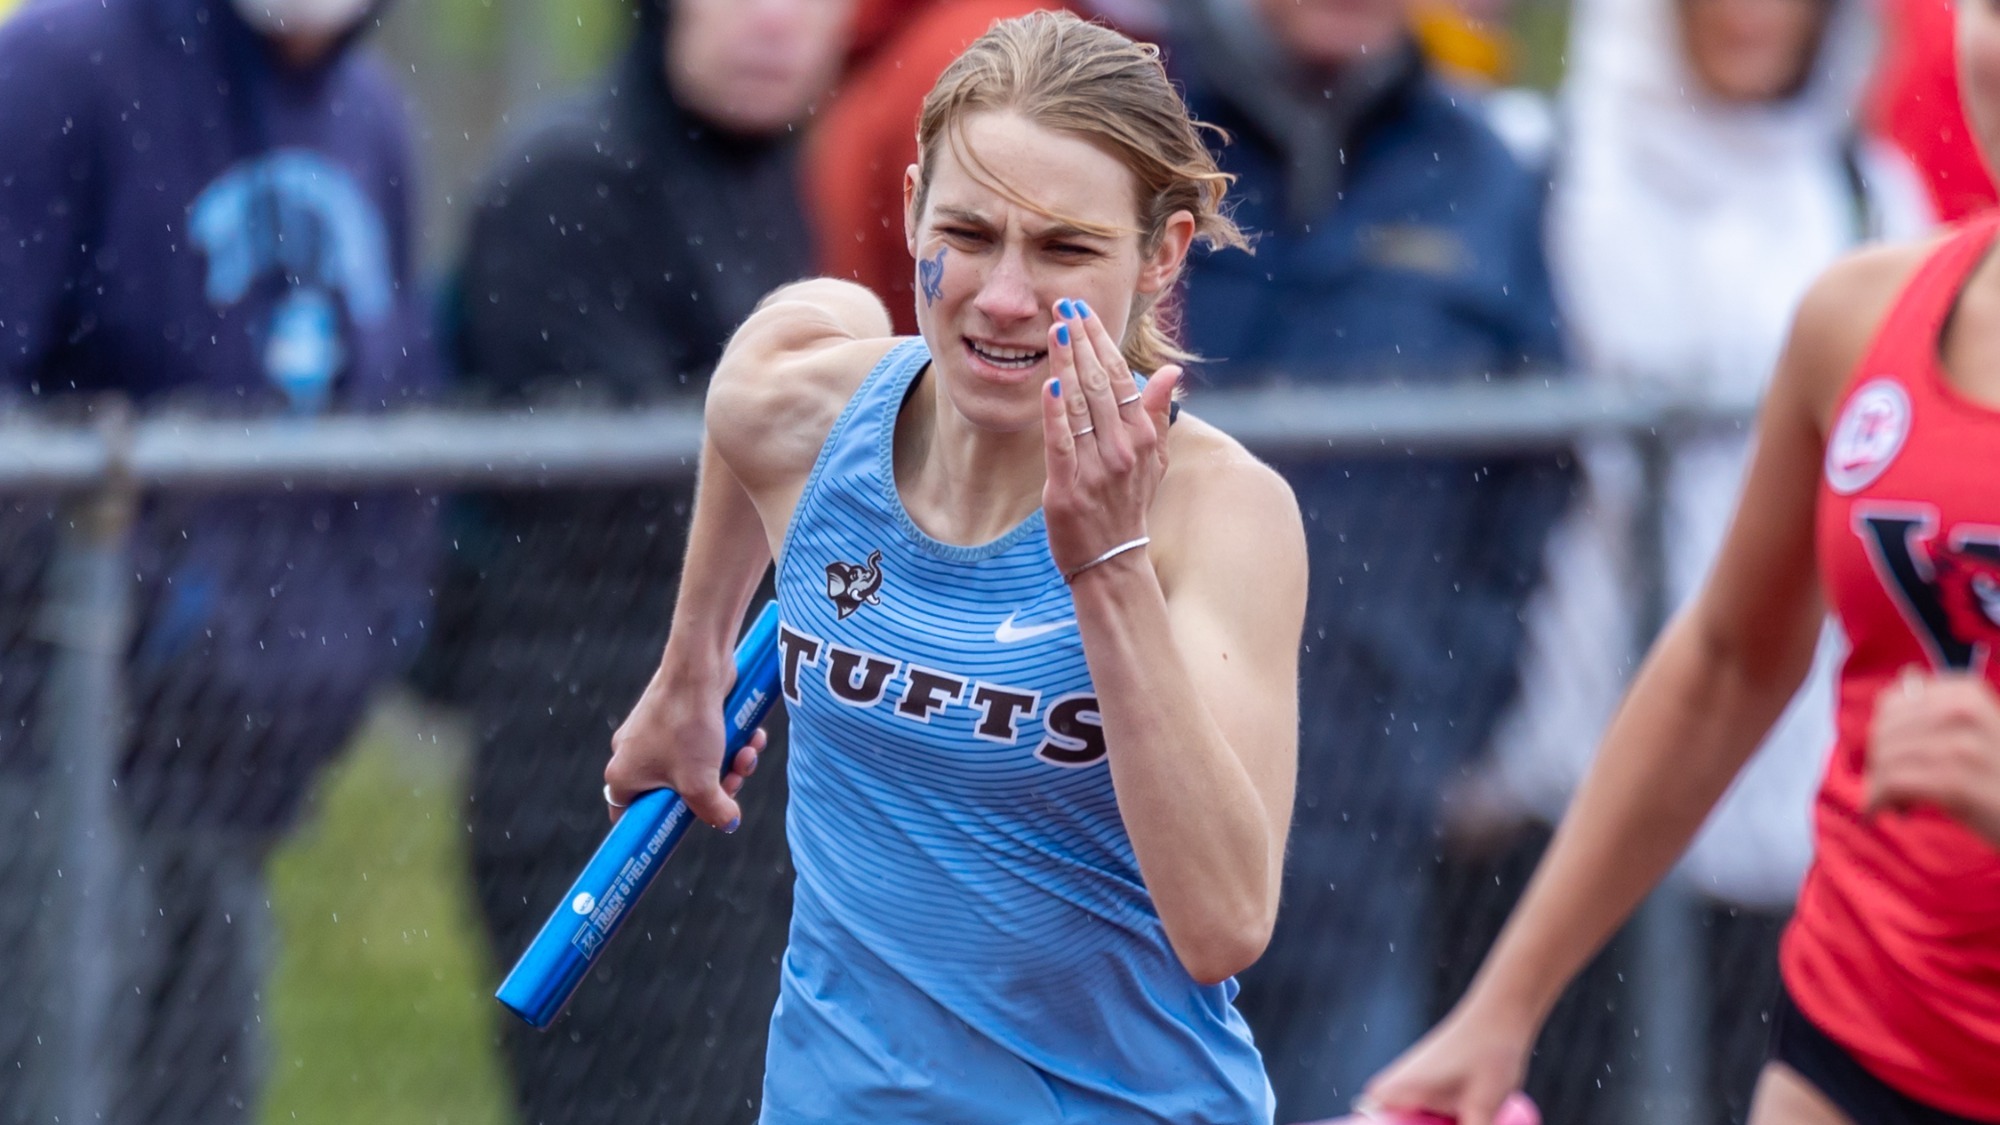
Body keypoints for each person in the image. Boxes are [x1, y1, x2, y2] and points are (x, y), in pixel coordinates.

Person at [604, 12, 1306, 1120]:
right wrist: (691, 665)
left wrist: (1107, 564)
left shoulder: (1218, 513)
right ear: (911, 205)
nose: (1004, 296)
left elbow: (1222, 923)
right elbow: (751, 380)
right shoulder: (822, 422)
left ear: (1161, 254)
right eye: (969, 233)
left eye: (1065, 250)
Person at [1364, 1, 2000, 1121]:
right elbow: (1725, 662)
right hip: (1860, 1040)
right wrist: (1503, 1003)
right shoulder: (1859, 314)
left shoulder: (1858, 193)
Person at [0, 0, 437, 1121]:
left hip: (237, 783)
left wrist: (350, 639)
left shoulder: (369, 119)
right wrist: (151, 613)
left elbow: (396, 438)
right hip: (46, 769)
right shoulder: (58, 70)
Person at [432, 0, 848, 1120]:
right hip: (597, 761)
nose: (774, 22)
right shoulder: (570, 184)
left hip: (735, 761)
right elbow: (620, 502)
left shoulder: (764, 178)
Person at [1161, 0, 1571, 1116]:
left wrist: (1449, 714)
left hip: (1364, 827)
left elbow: (1534, 479)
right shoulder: (1135, 127)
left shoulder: (1481, 169)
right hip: (1125, 808)